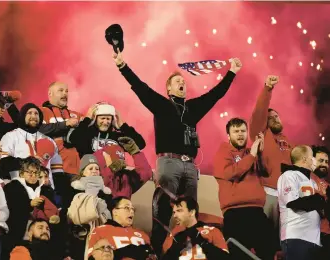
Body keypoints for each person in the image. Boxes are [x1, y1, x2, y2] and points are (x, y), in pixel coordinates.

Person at [113, 48, 242, 255]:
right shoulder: (162, 105)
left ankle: (189, 253)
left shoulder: (192, 108)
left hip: (190, 166)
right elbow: (140, 88)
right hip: (168, 163)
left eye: (184, 82)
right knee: (163, 210)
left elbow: (215, 95)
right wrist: (122, 66)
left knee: (190, 213)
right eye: (177, 82)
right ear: (169, 89)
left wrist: (232, 72)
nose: (182, 83)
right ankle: (158, 253)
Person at [213, 118, 276, 260]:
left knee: (269, 251)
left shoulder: (251, 152)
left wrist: (259, 154)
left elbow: (267, 172)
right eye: (236, 131)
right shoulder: (223, 151)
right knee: (238, 254)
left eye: (243, 131)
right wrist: (252, 155)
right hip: (235, 213)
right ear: (228, 136)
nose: (240, 134)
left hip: (257, 212)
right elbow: (229, 173)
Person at [249, 75, 293, 232]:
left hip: (289, 197)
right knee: (266, 236)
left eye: (277, 116)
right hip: (270, 193)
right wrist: (268, 88)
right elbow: (259, 112)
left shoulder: (287, 141)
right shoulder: (261, 135)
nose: (275, 119)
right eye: (270, 118)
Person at [278, 145, 325, 260]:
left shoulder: (313, 182)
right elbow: (293, 203)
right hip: (295, 236)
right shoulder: (288, 175)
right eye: (312, 157)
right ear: (304, 159)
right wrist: (319, 200)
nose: (314, 160)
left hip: (314, 239)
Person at [3, 157, 59, 255]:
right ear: (22, 173)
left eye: (36, 172)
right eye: (29, 172)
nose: (33, 175)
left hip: (41, 235)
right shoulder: (12, 186)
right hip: (18, 232)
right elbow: (11, 205)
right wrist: (29, 204)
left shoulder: (46, 189)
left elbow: (52, 205)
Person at [0, 103, 63, 187]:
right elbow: (3, 163)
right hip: (20, 189)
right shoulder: (10, 136)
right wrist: (28, 161)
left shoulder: (49, 140)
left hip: (45, 190)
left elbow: (57, 170)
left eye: (36, 113)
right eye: (29, 113)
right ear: (22, 116)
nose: (33, 116)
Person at [68, 102, 146, 158]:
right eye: (102, 118)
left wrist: (123, 125)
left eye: (108, 119)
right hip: (93, 175)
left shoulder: (117, 137)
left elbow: (140, 144)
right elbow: (74, 139)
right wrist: (87, 119)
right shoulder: (88, 134)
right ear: (95, 118)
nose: (105, 122)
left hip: (114, 177)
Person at [86, 197, 155, 260]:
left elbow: (153, 256)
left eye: (133, 209)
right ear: (115, 212)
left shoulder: (143, 234)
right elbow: (92, 258)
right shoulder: (100, 230)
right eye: (127, 208)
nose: (132, 212)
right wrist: (125, 252)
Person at [162, 197, 229, 260]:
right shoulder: (176, 236)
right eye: (174, 212)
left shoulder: (212, 231)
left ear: (192, 212)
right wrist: (175, 248)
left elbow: (225, 258)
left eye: (179, 211)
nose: (175, 216)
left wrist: (203, 242)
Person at [311, 146, 330, 259]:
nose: (324, 164)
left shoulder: (328, 186)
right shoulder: (306, 179)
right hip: (310, 234)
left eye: (327, 162)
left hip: (326, 234)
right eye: (321, 161)